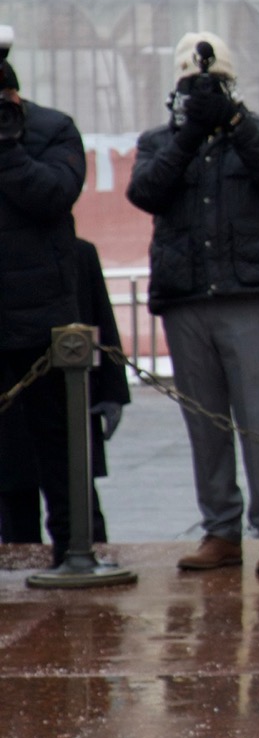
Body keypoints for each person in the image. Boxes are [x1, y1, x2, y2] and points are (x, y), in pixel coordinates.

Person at [127, 32, 259, 575]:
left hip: (246, 292)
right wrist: (190, 134)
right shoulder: (160, 140)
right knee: (204, 423)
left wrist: (233, 121)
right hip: (185, 295)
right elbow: (146, 192)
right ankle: (220, 530)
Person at [0, 26, 91, 559]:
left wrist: (9, 152)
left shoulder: (54, 130)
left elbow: (54, 196)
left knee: (59, 449)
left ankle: (73, 549)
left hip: (43, 321)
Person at [0, 239, 129, 561]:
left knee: (80, 498)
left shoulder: (78, 252)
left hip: (71, 393)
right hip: (11, 397)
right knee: (17, 510)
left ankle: (86, 557)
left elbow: (100, 317)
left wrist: (113, 392)